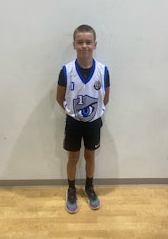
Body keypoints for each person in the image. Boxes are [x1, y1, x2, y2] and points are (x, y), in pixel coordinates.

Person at [56, 24, 110, 213]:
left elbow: (106, 97)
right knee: (73, 156)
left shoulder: (103, 70)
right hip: (74, 122)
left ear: (95, 44)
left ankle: (89, 187)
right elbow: (59, 98)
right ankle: (71, 189)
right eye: (80, 42)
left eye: (88, 42)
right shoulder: (66, 70)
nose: (84, 46)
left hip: (93, 122)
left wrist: (94, 113)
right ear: (74, 45)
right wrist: (73, 113)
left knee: (90, 155)